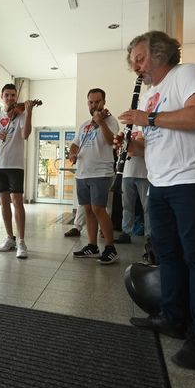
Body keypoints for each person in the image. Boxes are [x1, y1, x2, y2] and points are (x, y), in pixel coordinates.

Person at [116, 30, 195, 370]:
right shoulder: (152, 95)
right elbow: (158, 142)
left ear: (160, 54)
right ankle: (174, 318)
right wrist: (132, 145)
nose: (136, 68)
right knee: (168, 255)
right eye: (133, 62)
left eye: (140, 59)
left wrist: (146, 119)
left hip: (194, 182)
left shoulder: (187, 74)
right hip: (160, 184)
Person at [0, 83, 36, 259]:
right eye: (7, 95)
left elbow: (25, 135)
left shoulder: (21, 115)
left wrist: (28, 113)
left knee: (17, 202)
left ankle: (21, 241)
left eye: (13, 95)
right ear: (2, 96)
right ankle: (9, 238)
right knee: (4, 202)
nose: (11, 98)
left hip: (15, 165)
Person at [68, 88, 120, 264]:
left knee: (99, 209)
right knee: (88, 210)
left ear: (103, 102)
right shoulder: (84, 125)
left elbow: (111, 141)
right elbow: (74, 145)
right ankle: (92, 246)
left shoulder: (110, 120)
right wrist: (72, 154)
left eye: (97, 101)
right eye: (91, 102)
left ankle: (111, 247)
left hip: (101, 172)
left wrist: (101, 122)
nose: (94, 105)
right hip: (82, 172)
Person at [114, 129, 151, 245]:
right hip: (126, 172)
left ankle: (150, 235)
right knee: (127, 206)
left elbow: (138, 150)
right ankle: (126, 232)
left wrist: (128, 145)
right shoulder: (125, 130)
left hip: (143, 173)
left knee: (147, 207)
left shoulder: (144, 128)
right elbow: (119, 150)